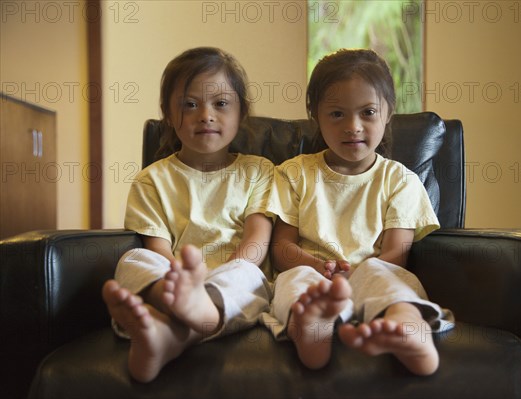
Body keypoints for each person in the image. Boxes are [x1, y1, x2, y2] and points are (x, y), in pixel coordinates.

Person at [262, 48, 453, 375]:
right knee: (294, 280)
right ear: (316, 116)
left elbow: (397, 253)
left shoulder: (399, 180)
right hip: (315, 277)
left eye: (367, 112)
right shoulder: (293, 173)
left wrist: (353, 276)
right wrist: (318, 267)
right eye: (337, 114)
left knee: (386, 277)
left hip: (371, 272)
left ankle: (406, 327)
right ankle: (312, 330)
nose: (353, 126)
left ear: (388, 112)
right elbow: (281, 250)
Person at [102, 47, 273, 383]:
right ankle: (175, 312)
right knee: (133, 259)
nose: (205, 115)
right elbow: (158, 250)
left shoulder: (259, 171)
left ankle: (168, 328)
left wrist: (211, 281)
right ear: (168, 113)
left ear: (241, 113)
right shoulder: (152, 180)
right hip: (177, 280)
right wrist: (181, 282)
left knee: (248, 274)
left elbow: (257, 241)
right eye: (189, 104)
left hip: (236, 280)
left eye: (221, 104)